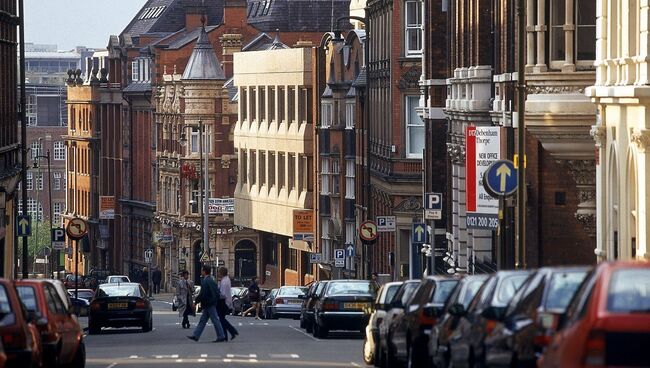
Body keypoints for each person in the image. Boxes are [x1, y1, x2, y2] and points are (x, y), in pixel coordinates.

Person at [187, 265, 226, 342]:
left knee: (215, 320)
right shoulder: (211, 280)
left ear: (204, 271)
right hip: (210, 303)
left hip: (209, 303)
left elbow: (203, 294)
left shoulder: (206, 281)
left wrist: (196, 301)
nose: (201, 272)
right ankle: (196, 335)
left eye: (202, 270)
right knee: (203, 320)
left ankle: (221, 335)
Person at [217, 267, 239, 340]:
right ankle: (229, 333)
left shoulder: (224, 281)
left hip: (223, 302)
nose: (218, 273)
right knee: (222, 319)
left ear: (222, 273)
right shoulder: (226, 279)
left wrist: (217, 295)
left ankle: (231, 332)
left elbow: (223, 294)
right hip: (227, 301)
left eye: (219, 272)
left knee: (221, 319)